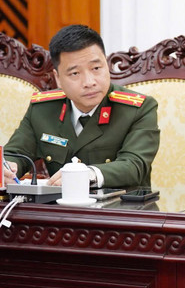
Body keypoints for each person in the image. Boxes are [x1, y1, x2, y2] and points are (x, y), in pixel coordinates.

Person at [2, 24, 160, 188]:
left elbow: (135, 165)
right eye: (75, 73)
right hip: (58, 204)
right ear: (58, 78)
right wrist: (9, 168)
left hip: (121, 204)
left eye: (96, 68)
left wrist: (88, 175)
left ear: (107, 66)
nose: (89, 82)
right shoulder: (43, 109)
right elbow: (15, 153)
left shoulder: (138, 109)